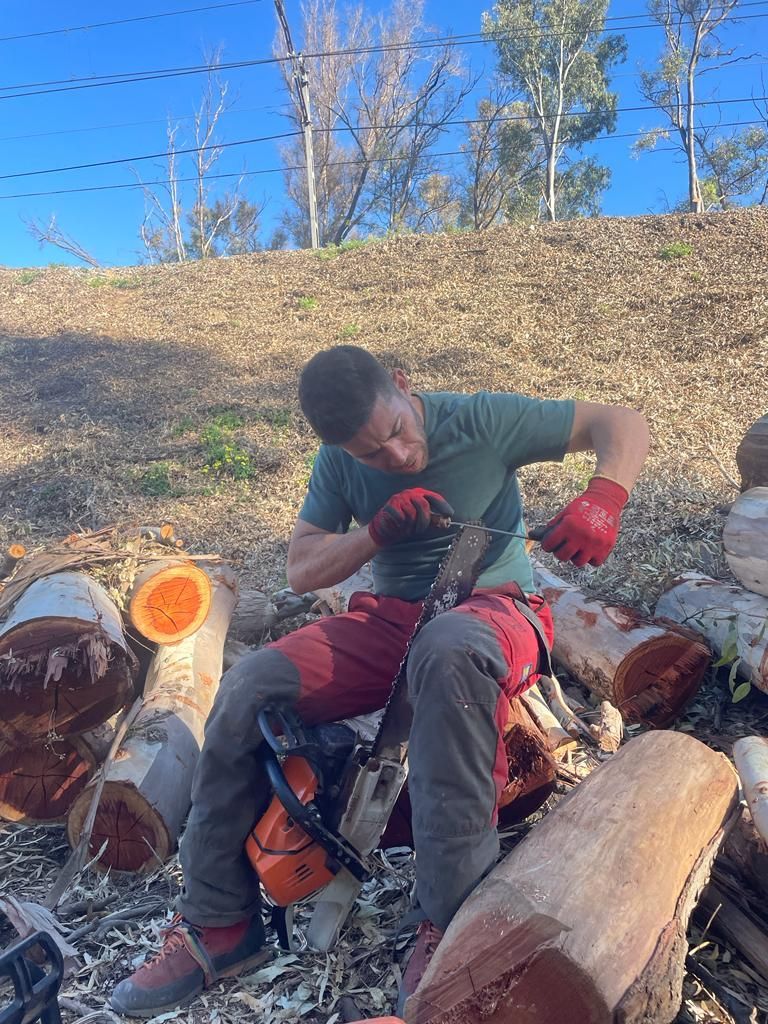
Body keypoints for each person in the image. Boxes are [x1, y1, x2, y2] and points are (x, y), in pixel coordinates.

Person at [110, 345, 649, 1018]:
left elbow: (620, 421)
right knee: (249, 684)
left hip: (493, 611)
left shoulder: (479, 419)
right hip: (389, 621)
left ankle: (452, 928)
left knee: (448, 652)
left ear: (402, 384)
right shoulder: (340, 459)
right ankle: (219, 925)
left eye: (396, 432)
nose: (393, 457)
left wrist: (604, 497)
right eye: (372, 454)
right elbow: (304, 567)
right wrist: (374, 534)